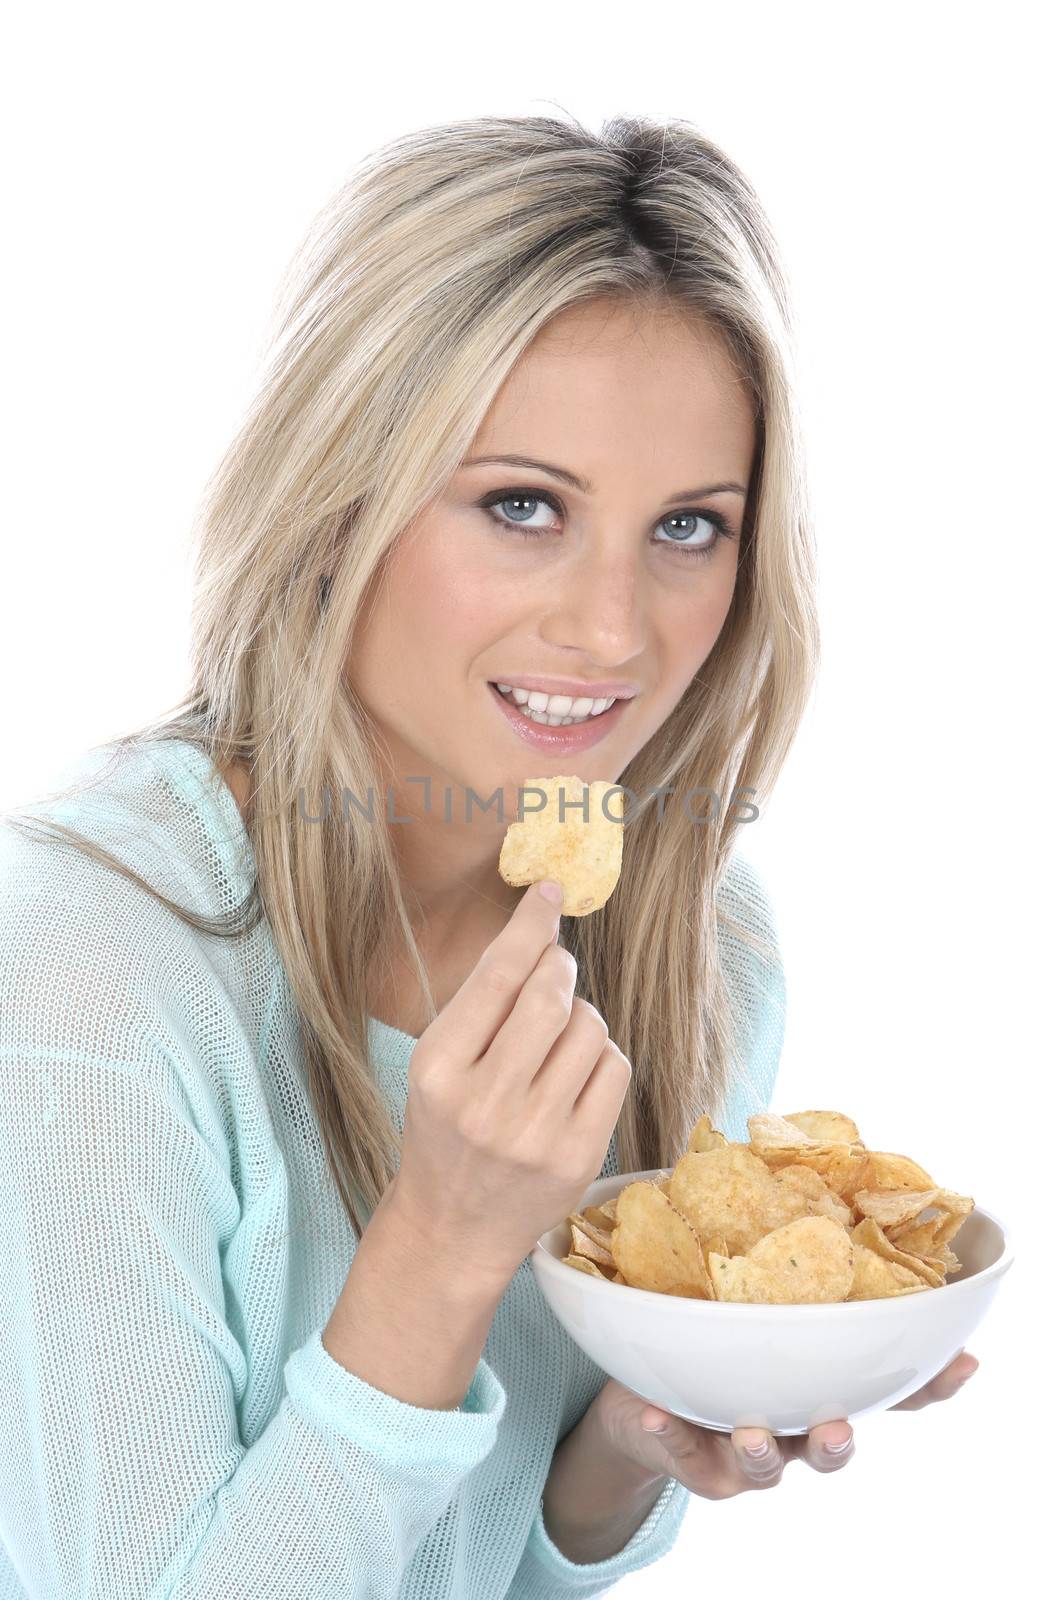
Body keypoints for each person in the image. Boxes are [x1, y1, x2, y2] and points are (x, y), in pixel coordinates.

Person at [0, 110, 976, 1600]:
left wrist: (635, 1443)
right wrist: (443, 1246)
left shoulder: (698, 940)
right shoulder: (88, 975)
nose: (613, 630)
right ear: (335, 509)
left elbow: (499, 1560)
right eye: (522, 506)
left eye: (689, 527)